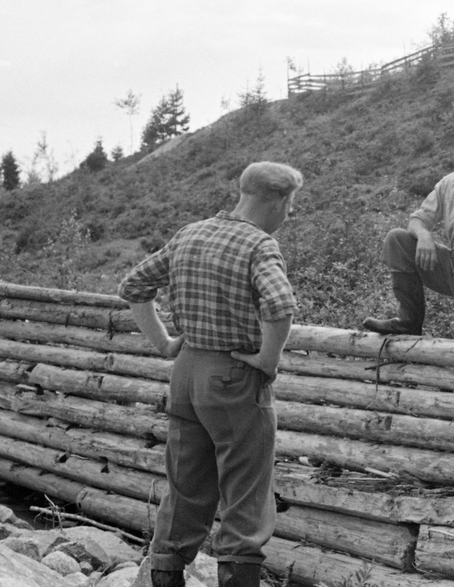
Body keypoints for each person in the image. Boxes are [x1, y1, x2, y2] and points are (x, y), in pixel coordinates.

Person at [118, 161, 304, 587]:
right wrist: (268, 360)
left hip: (186, 374)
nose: (289, 213)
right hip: (234, 377)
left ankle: (165, 573)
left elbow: (133, 287)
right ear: (278, 201)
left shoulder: (191, 233)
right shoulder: (259, 246)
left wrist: (165, 344)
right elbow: (280, 305)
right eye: (290, 203)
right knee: (246, 494)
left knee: (185, 488)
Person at [363, 123, 454, 344]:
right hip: (453, 267)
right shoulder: (447, 185)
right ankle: (409, 322)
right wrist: (424, 236)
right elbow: (418, 219)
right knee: (398, 240)